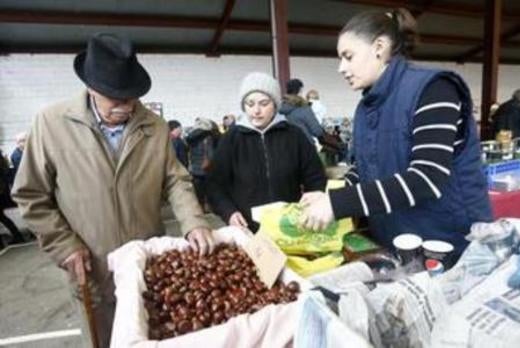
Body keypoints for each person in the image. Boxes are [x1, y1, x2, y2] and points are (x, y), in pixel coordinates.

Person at [11, 33, 214, 348]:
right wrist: (63, 245)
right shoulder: (51, 124)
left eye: (131, 96)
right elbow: (30, 195)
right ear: (92, 88)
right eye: (115, 97)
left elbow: (175, 180)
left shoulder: (154, 127)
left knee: (155, 334)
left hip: (149, 265)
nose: (125, 106)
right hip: (94, 268)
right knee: (102, 340)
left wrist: (194, 221)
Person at [298, 8, 492, 262]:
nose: (341, 68)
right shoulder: (366, 107)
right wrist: (332, 192)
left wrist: (337, 203)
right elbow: (364, 168)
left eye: (348, 56)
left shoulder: (434, 90)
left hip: (445, 240)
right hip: (395, 239)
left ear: (379, 47)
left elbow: (426, 178)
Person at [207, 72, 327, 232]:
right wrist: (229, 212)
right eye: (250, 104)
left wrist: (313, 202)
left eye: (264, 103)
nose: (256, 111)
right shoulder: (231, 139)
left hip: (290, 227)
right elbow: (215, 184)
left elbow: (315, 177)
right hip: (247, 229)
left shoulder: (294, 135)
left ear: (275, 105)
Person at [186, 118, 217, 212]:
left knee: (198, 190)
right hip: (206, 168)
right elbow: (210, 154)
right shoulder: (207, 137)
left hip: (195, 168)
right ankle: (208, 206)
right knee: (209, 188)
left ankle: (200, 206)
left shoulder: (190, 137)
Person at [0, 149, 26, 249]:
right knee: (2, 217)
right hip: (3, 192)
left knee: (2, 217)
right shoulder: (2, 158)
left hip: (1, 192)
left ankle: (16, 236)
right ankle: (17, 236)